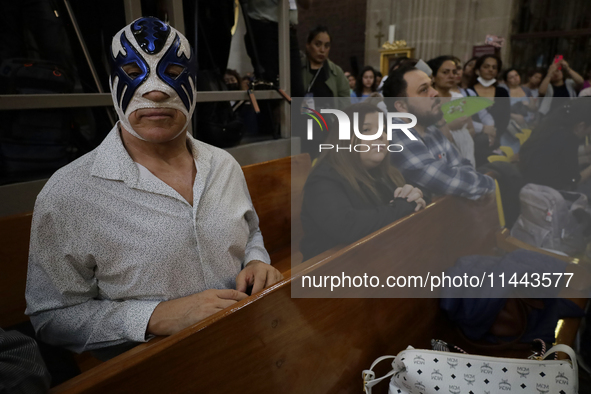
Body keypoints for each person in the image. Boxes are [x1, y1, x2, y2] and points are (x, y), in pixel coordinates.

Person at [25, 17, 282, 360]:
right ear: (114, 80)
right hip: (150, 372)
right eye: (134, 70)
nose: (156, 89)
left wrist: (256, 261)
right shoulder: (69, 193)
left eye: (173, 72)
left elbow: (250, 232)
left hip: (246, 347)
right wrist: (152, 317)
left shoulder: (224, 165)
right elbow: (51, 316)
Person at [300, 102, 427, 261]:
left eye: (384, 130)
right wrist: (402, 206)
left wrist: (415, 197)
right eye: (367, 130)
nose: (381, 135)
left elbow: (410, 203)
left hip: (375, 261)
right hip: (330, 271)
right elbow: (347, 226)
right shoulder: (323, 179)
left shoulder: (388, 173)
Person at [382, 64, 495, 200]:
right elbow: (445, 180)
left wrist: (465, 186)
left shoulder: (430, 129)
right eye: (424, 90)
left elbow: (462, 165)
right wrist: (491, 184)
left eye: (431, 86)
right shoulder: (395, 132)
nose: (435, 92)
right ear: (401, 106)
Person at [520, 99, 591, 193]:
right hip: (545, 195)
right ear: (581, 126)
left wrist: (587, 154)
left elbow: (560, 158)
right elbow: (573, 181)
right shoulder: (569, 138)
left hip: (527, 187)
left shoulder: (550, 127)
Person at [427, 55, 476, 166]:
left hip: (465, 147)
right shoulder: (429, 100)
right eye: (445, 72)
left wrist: (463, 138)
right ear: (433, 76)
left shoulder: (459, 98)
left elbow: (471, 128)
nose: (451, 76)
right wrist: (450, 126)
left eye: (454, 72)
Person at [467, 54, 510, 167]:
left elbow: (505, 118)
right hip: (472, 139)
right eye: (486, 66)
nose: (490, 69)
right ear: (477, 70)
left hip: (496, 140)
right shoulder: (468, 92)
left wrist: (494, 135)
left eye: (494, 67)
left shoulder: (502, 92)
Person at [301, 25, 349, 99]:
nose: (322, 50)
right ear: (308, 44)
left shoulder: (336, 72)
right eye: (317, 44)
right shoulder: (298, 68)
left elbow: (344, 102)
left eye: (326, 46)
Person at [501, 68, 536, 153]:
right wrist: (514, 116)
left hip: (527, 125)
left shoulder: (526, 90)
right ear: (506, 81)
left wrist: (528, 105)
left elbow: (533, 107)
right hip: (511, 127)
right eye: (511, 77)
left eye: (516, 75)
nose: (515, 78)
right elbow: (501, 110)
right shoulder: (504, 92)